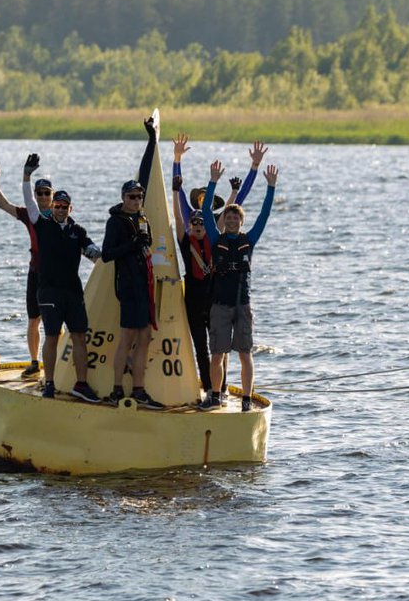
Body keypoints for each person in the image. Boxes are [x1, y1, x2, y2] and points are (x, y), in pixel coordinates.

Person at [171, 136, 268, 398]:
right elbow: (178, 202)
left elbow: (239, 203)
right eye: (198, 199)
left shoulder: (216, 231)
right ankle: (212, 389)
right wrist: (176, 161)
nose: (202, 203)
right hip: (193, 296)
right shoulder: (188, 233)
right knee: (203, 349)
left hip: (215, 297)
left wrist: (254, 169)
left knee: (220, 349)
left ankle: (220, 389)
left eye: (207, 199)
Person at [21, 154, 102, 402]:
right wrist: (27, 176)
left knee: (79, 336)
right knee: (53, 336)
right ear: (51, 207)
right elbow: (29, 201)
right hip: (48, 291)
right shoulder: (41, 224)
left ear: (70, 208)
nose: (60, 209)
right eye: (57, 206)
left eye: (64, 206)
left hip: (72, 291)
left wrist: (117, 253)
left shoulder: (78, 232)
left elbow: (95, 254)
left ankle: (81, 384)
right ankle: (50, 383)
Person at [200, 159, 278, 411]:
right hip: (220, 305)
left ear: (241, 222)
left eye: (236, 218)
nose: (232, 221)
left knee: (245, 354)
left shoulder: (249, 239)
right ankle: (215, 395)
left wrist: (271, 188)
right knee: (218, 354)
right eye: (229, 217)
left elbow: (265, 215)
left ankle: (246, 398)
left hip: (242, 305)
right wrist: (212, 181)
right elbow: (205, 215)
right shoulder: (215, 238)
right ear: (225, 220)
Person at [101, 117, 163, 409]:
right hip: (127, 286)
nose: (137, 200)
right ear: (123, 198)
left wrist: (153, 140)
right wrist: (132, 246)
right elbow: (107, 254)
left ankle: (138, 388)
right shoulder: (116, 221)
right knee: (127, 337)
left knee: (146, 336)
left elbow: (147, 174)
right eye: (131, 196)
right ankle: (116, 389)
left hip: (144, 286)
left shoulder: (142, 218)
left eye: (139, 196)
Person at [0, 160, 53, 377]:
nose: (43, 197)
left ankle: (55, 362)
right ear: (34, 195)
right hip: (35, 273)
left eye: (47, 193)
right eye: (39, 193)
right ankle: (35, 362)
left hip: (55, 276)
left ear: (52, 196)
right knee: (33, 320)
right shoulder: (29, 214)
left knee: (55, 321)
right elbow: (3, 206)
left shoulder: (60, 215)